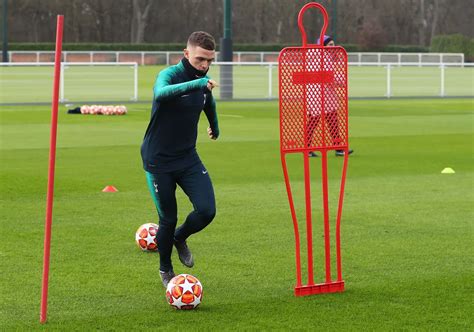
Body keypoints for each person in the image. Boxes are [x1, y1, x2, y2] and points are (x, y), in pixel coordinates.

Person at [140, 31, 220, 287]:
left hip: (187, 158)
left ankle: (178, 237)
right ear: (186, 54)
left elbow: (208, 102)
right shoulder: (169, 75)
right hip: (158, 161)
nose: (205, 66)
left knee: (207, 211)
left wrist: (214, 127)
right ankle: (166, 269)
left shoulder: (203, 81)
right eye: (200, 60)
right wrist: (197, 84)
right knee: (168, 218)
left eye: (209, 61)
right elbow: (161, 94)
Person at [308, 35, 354, 157]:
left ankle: (337, 148)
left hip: (319, 95)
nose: (333, 47)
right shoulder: (323, 58)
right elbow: (329, 77)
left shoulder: (316, 57)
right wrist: (342, 81)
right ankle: (336, 148)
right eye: (331, 45)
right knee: (319, 123)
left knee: (330, 122)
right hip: (321, 96)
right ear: (323, 46)